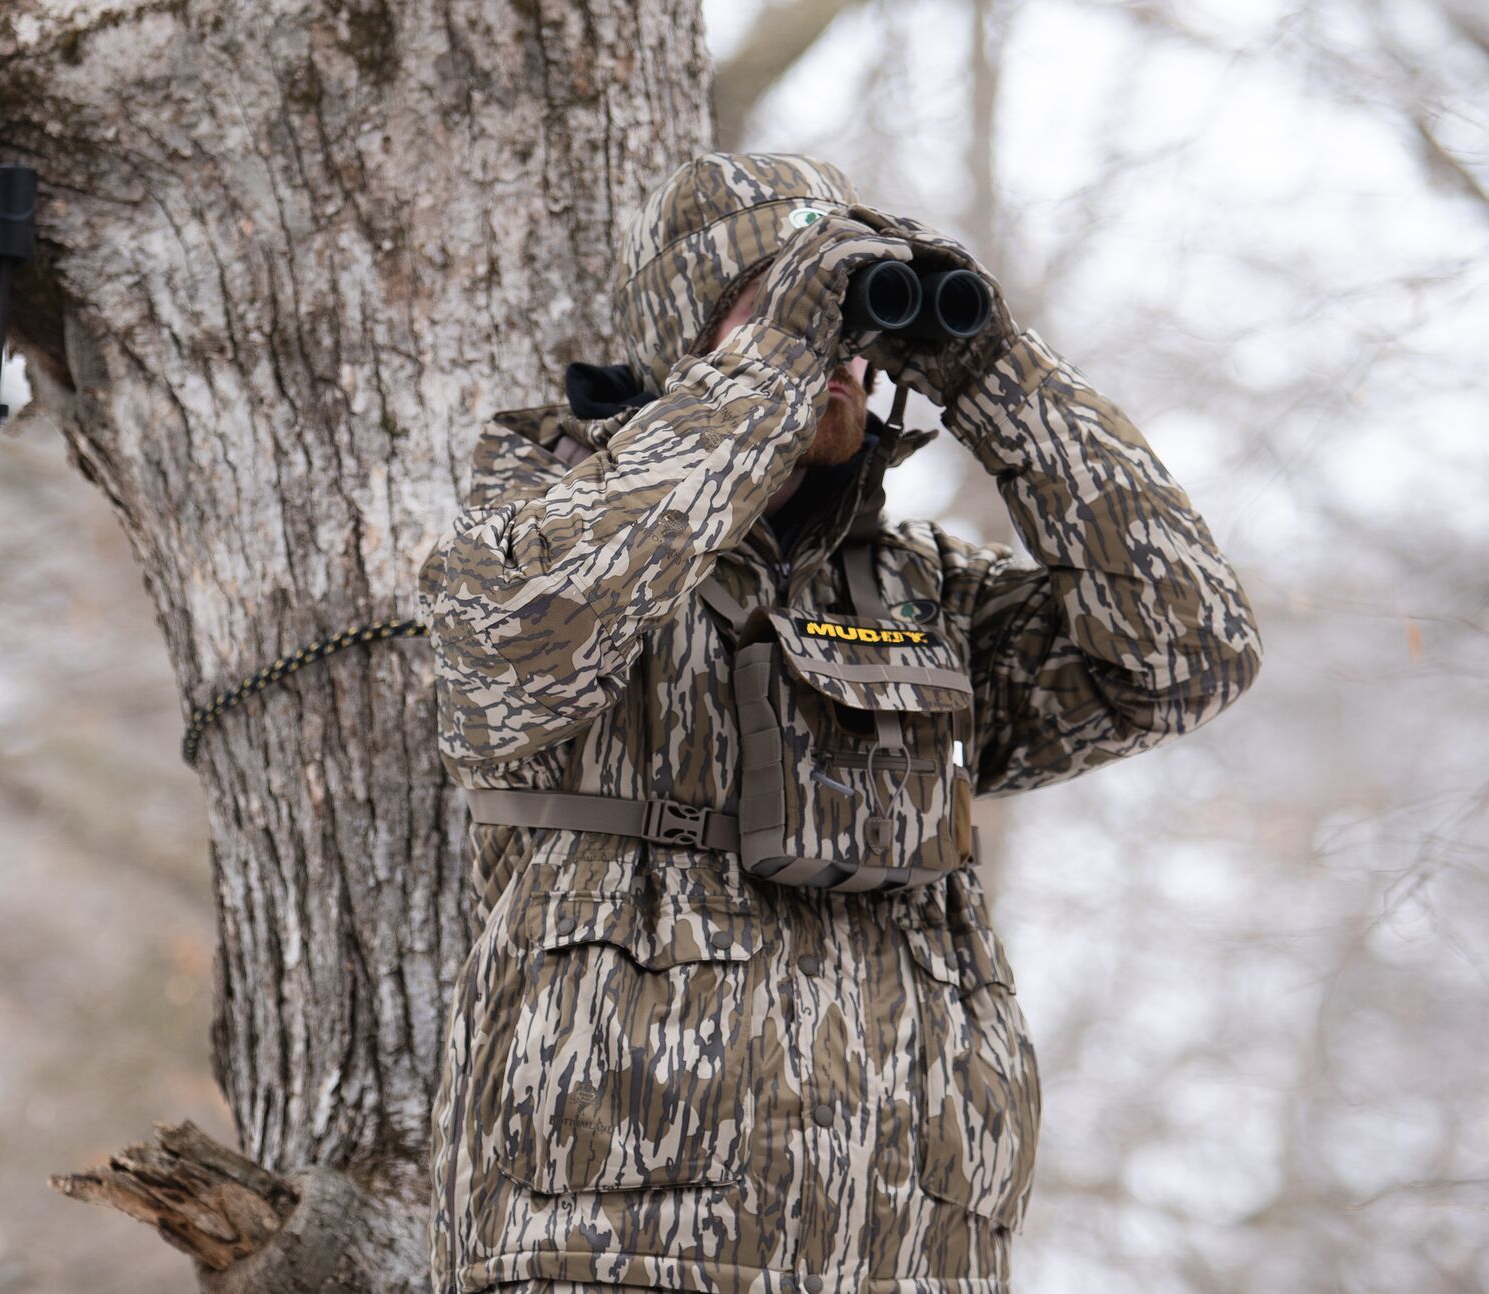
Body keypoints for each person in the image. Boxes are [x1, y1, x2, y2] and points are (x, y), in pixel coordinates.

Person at [417, 152, 1260, 1294]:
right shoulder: (537, 533)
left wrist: (999, 377)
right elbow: (521, 644)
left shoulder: (924, 595)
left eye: (847, 319)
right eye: (790, 306)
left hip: (909, 1256)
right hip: (611, 1250)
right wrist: (767, 371)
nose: (838, 355)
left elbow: (1187, 655)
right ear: (691, 342)